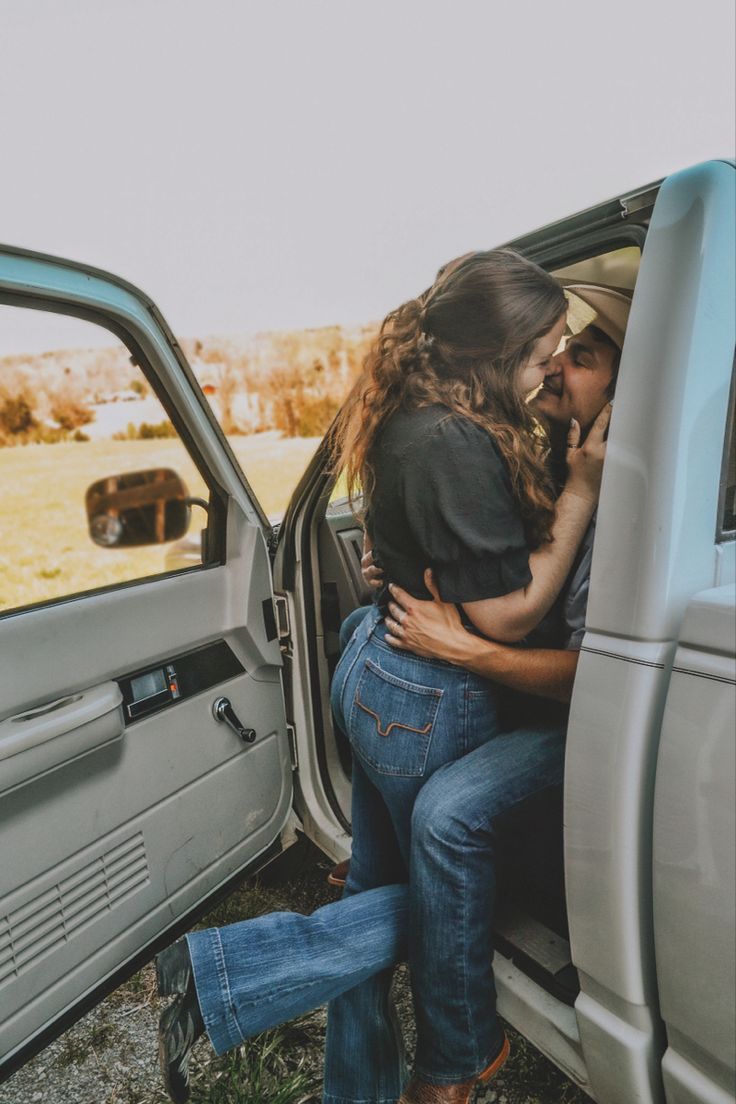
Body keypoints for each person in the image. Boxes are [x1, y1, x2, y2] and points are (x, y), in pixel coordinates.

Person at [155, 257, 615, 1104]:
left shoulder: (467, 424)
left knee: (392, 882)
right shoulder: (472, 442)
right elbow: (506, 615)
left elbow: (563, 649)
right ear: (496, 354)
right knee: (442, 898)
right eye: (550, 351)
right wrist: (572, 500)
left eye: (577, 355)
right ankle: (438, 1056)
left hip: (383, 669)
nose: (553, 365)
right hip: (420, 695)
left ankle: (336, 1071)